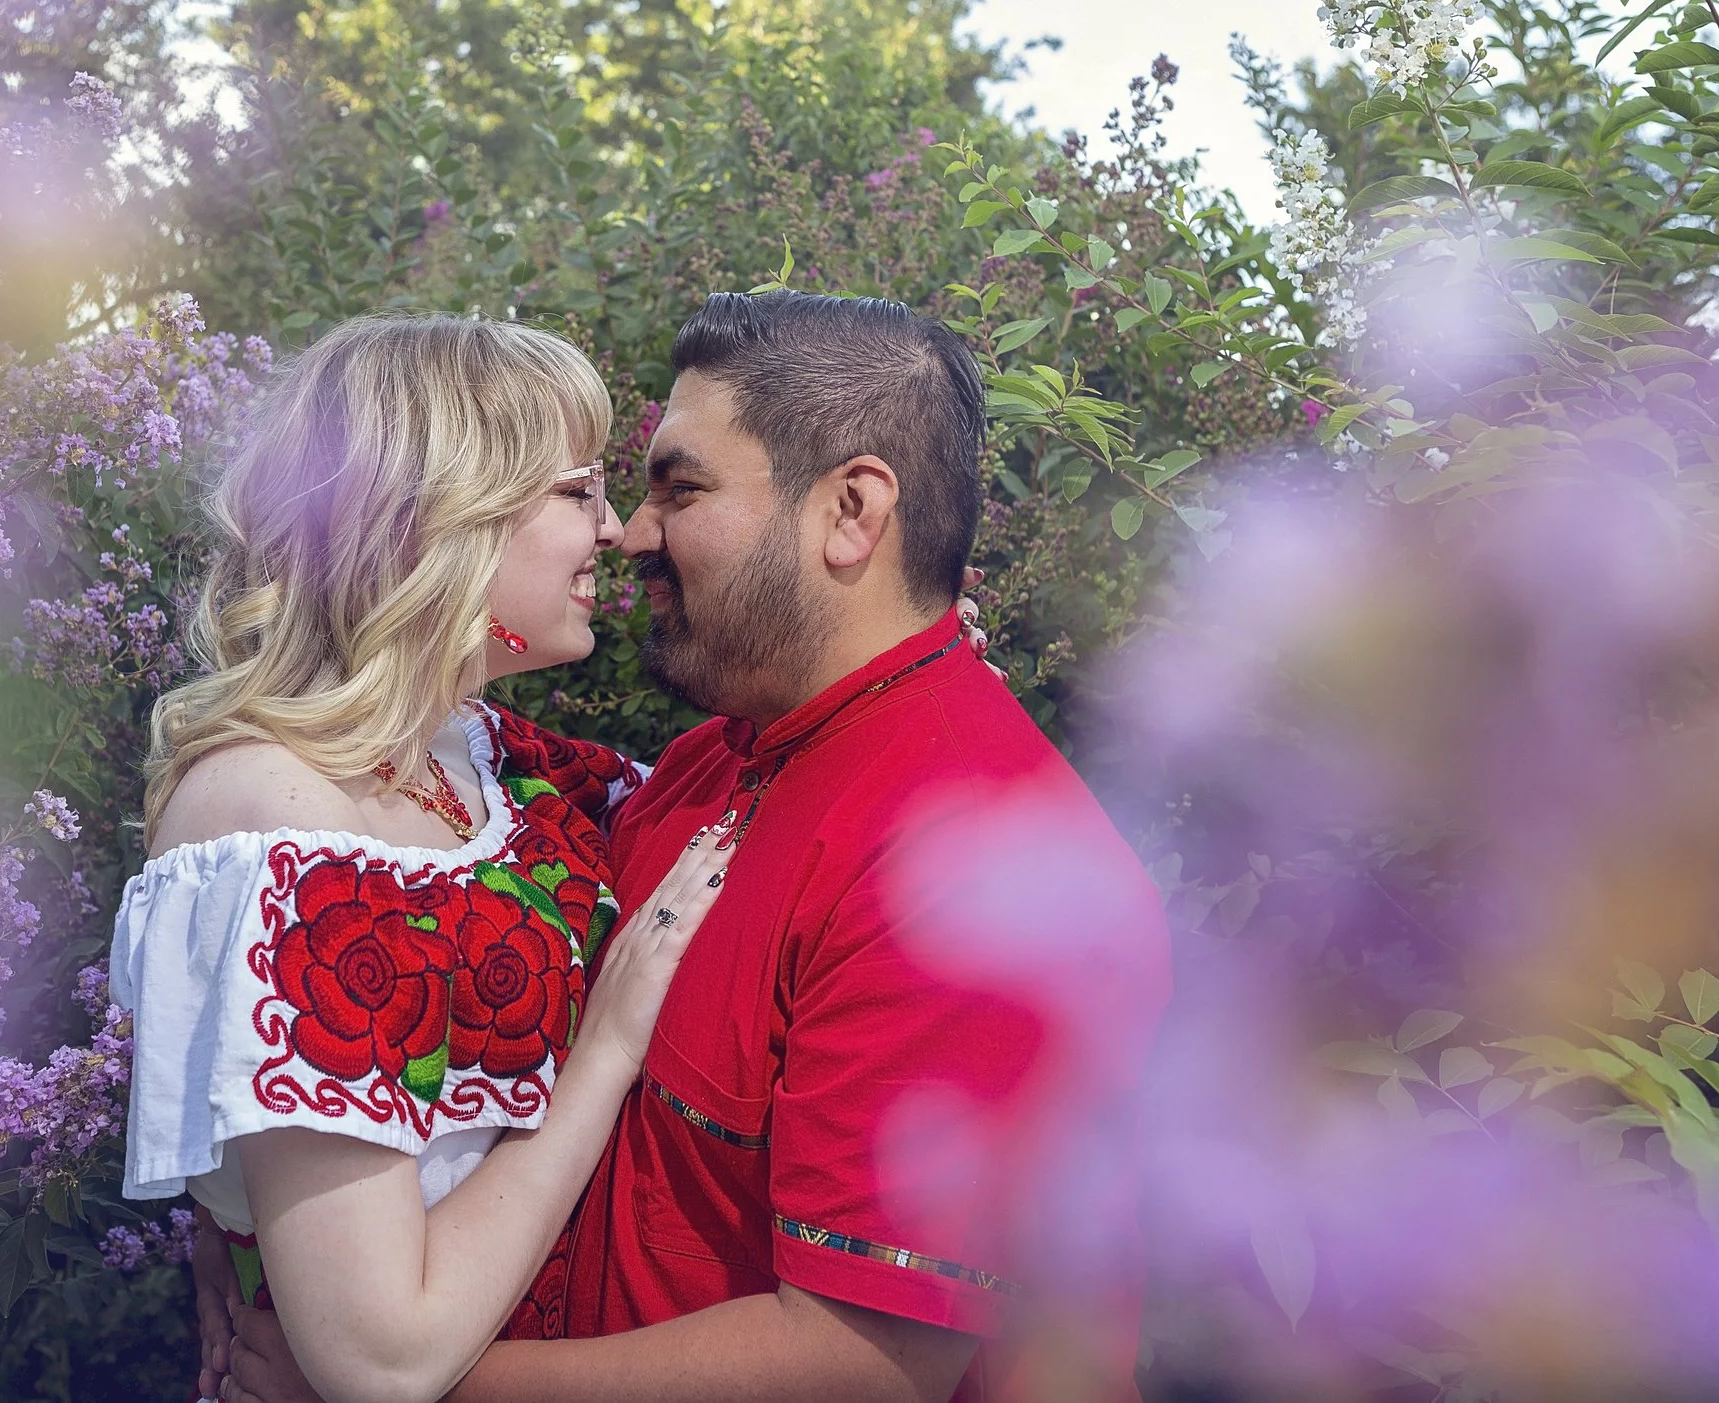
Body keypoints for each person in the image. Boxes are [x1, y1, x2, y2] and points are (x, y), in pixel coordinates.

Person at [202, 291, 1173, 1403]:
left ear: (850, 510)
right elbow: (409, 781)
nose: (633, 532)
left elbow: (859, 1362)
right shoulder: (712, 767)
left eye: (681, 486)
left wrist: (378, 1377)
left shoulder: (980, 880)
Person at [111, 314, 734, 1403]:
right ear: (440, 517)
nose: (616, 531)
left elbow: (728, 802)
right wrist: (608, 1045)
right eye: (575, 490)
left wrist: (880, 648)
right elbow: (380, 1354)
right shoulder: (277, 818)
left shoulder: (488, 759)